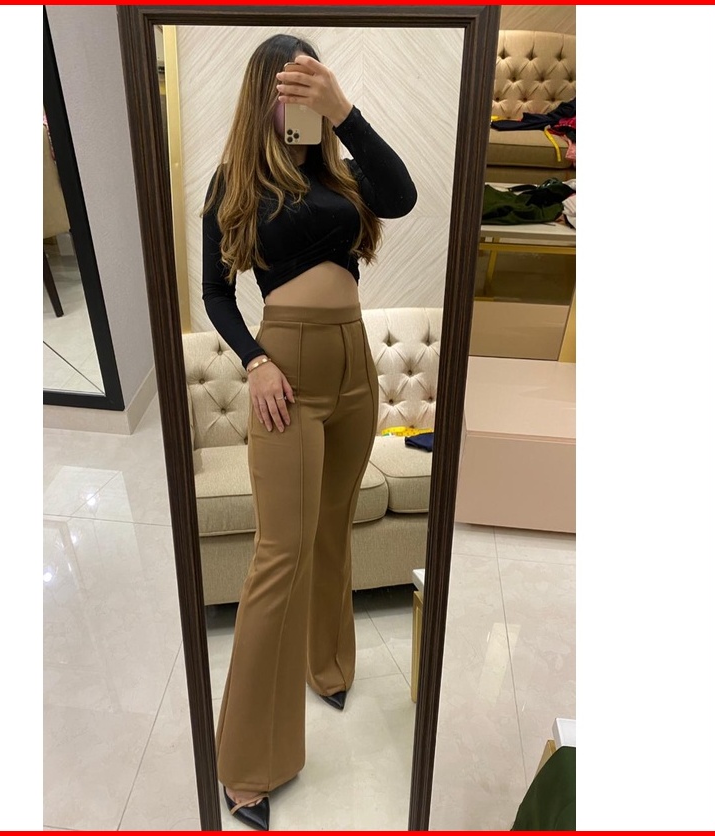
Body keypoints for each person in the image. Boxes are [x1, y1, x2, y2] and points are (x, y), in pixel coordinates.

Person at [200, 34, 417, 831]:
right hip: (285, 371)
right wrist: (255, 361)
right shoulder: (235, 180)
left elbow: (402, 197)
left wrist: (343, 111)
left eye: (309, 85)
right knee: (280, 554)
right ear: (262, 94)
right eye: (286, 88)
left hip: (355, 366)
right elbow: (215, 291)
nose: (296, 101)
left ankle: (327, 668)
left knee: (333, 528)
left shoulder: (343, 172)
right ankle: (247, 766)